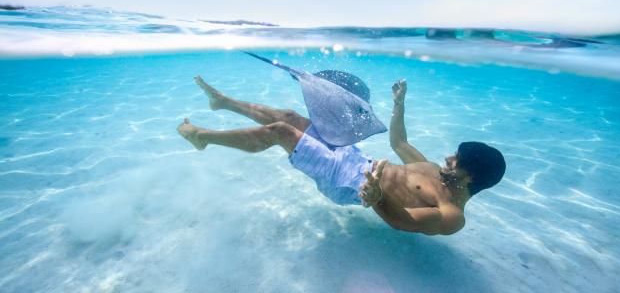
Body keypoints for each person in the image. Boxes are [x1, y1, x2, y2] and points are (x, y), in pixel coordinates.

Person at [178, 76, 506, 235]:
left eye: (456, 160)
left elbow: (402, 221)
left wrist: (377, 195)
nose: (448, 158)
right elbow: (399, 142)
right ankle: (223, 102)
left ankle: (202, 138)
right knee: (291, 117)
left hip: (347, 181)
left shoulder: (452, 215)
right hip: (355, 157)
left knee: (281, 131)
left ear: (470, 176)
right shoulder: (435, 169)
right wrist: (399, 103)